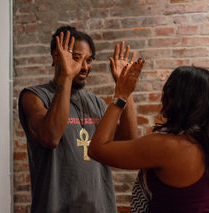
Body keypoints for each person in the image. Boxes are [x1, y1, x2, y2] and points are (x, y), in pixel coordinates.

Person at [18, 25, 138, 213]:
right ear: (57, 57)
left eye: (89, 60)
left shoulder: (95, 103)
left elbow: (127, 141)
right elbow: (51, 137)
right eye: (76, 58)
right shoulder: (35, 97)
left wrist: (125, 89)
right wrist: (66, 75)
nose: (84, 67)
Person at [88, 65, 209, 212]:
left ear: (176, 99)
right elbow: (131, 141)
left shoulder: (167, 146)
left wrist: (121, 95)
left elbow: (97, 149)